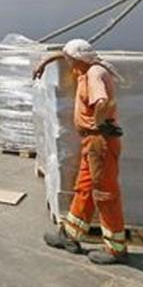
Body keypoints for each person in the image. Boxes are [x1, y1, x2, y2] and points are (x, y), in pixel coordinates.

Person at [36, 39, 127, 265]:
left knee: (104, 194)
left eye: (68, 60)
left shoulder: (94, 75)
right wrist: (46, 60)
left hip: (99, 142)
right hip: (92, 143)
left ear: (76, 60)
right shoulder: (89, 67)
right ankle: (70, 236)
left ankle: (116, 249)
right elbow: (68, 55)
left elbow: (102, 101)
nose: (67, 63)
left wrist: (98, 123)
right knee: (84, 188)